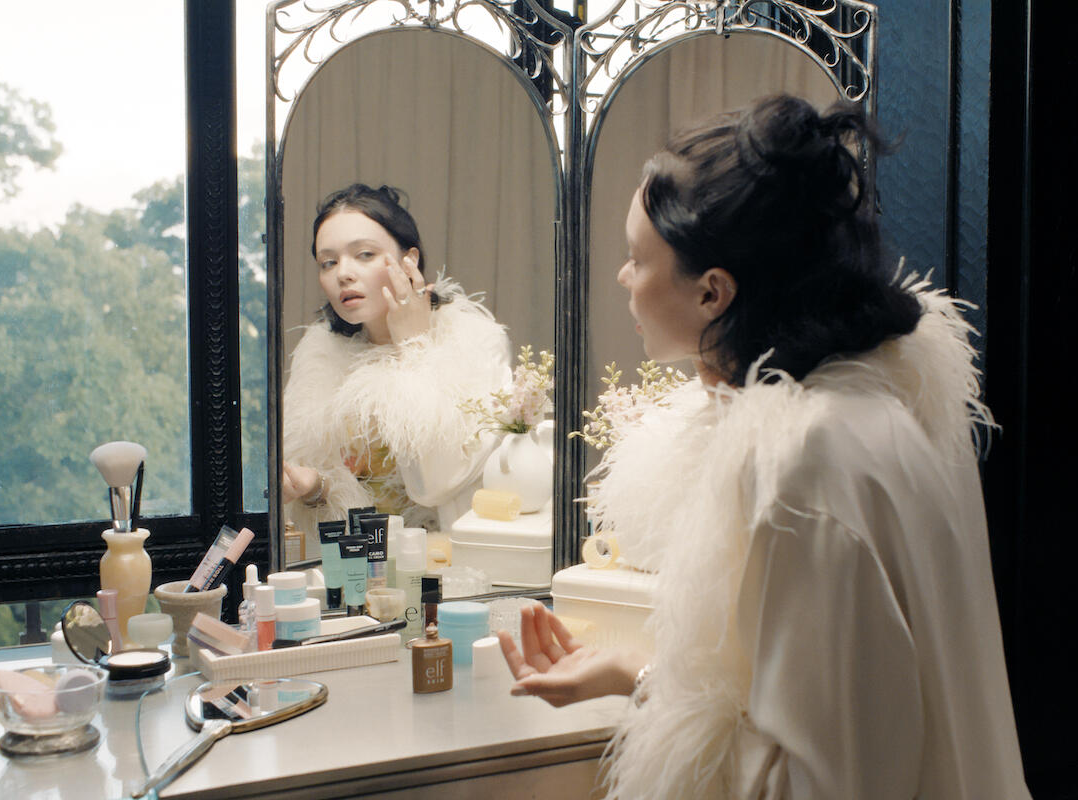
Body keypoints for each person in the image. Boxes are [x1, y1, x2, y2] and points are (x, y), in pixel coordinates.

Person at [499, 95, 1031, 799]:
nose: (623, 277)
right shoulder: (888, 405)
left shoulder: (805, 461)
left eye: (636, 258)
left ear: (713, 293)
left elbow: (822, 784)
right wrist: (633, 671)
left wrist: (657, 699)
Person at [282, 184, 510, 545]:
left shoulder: (474, 343)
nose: (343, 273)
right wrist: (316, 487)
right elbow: (328, 510)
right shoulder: (321, 356)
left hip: (456, 559)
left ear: (409, 261)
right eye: (328, 262)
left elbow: (436, 484)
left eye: (365, 254)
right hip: (360, 564)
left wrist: (414, 347)